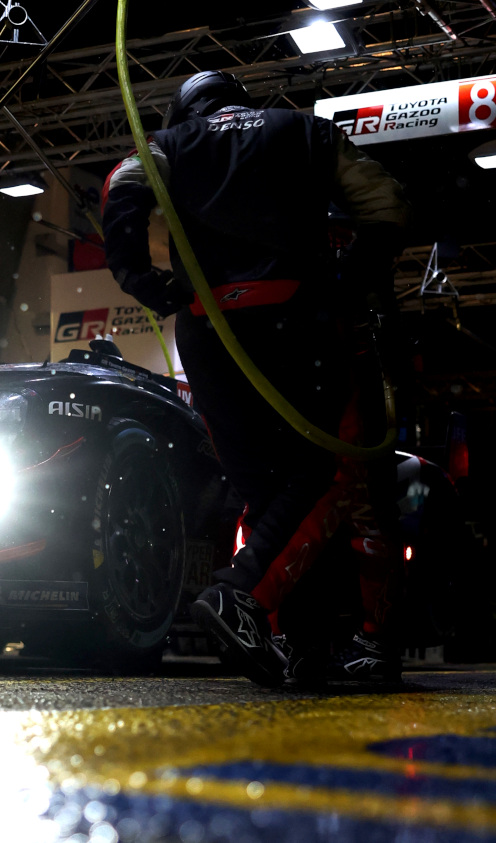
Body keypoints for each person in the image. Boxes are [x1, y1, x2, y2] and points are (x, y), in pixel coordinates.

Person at [101, 70, 411, 686]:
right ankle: (243, 595)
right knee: (325, 473)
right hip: (298, 319)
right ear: (241, 100)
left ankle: (290, 641)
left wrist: (141, 280)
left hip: (209, 332)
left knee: (266, 492)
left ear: (188, 106)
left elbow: (118, 190)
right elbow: (387, 205)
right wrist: (350, 281)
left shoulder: (168, 143)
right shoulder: (305, 132)